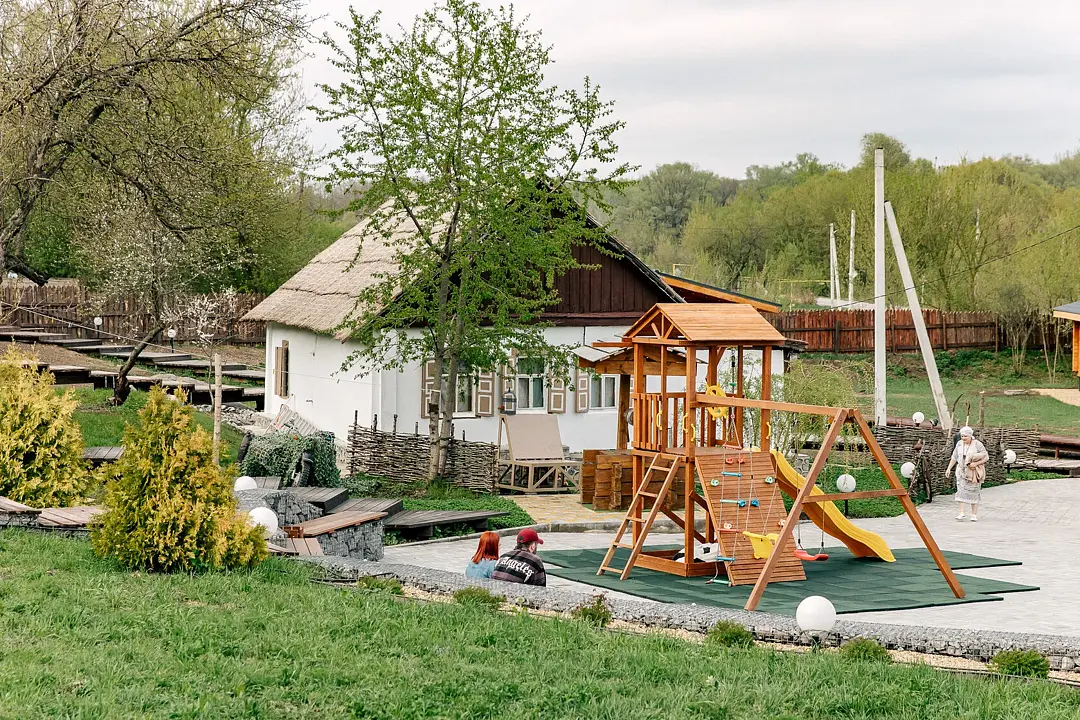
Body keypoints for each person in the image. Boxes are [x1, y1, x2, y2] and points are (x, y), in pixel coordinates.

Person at [945, 425, 988, 522]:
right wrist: (949, 469)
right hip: (961, 471)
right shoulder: (959, 444)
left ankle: (973, 514)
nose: (963, 438)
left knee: (974, 492)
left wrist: (975, 463)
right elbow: (954, 457)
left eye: (965, 436)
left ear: (970, 436)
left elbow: (986, 457)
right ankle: (962, 512)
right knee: (961, 490)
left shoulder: (977, 444)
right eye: (962, 436)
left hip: (973, 472)